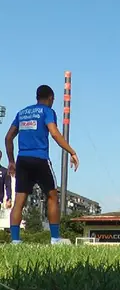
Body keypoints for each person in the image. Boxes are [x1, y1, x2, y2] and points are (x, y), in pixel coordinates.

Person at [4, 85, 79, 244]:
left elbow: (8, 137)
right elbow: (54, 133)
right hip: (40, 159)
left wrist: (11, 161)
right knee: (52, 196)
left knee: (19, 201)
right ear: (51, 98)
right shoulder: (47, 111)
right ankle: (55, 238)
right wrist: (71, 151)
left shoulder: (22, 113)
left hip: (22, 160)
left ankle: (15, 241)